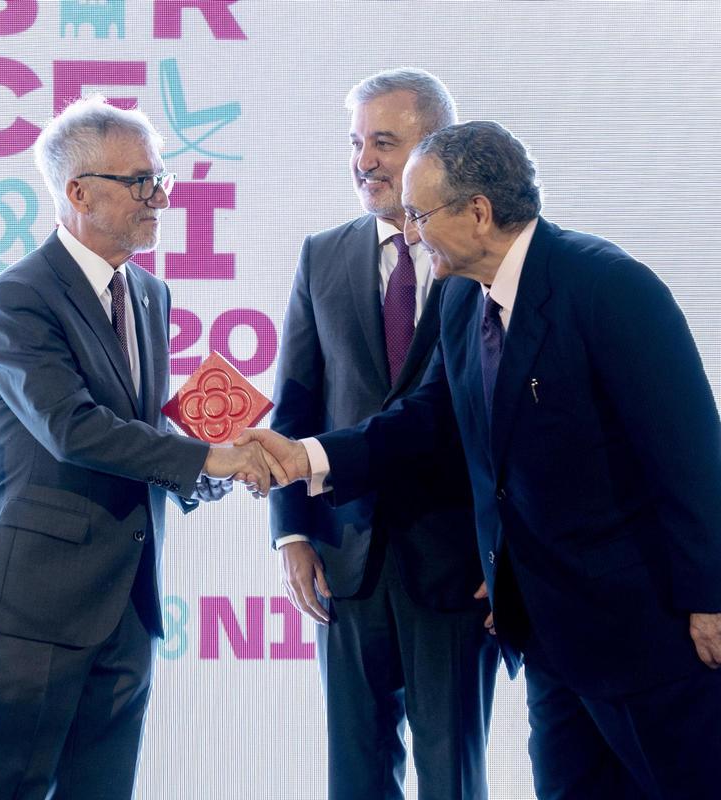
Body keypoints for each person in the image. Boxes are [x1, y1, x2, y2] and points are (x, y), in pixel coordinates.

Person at [243, 120, 721, 799]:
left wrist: (711, 599)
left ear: (478, 212)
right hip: (551, 636)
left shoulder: (608, 287)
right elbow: (428, 420)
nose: (408, 232)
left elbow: (691, 454)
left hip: (648, 632)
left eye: (420, 215)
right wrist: (305, 458)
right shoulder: (466, 298)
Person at [0, 95, 279, 800]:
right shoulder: (21, 295)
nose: (159, 198)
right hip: (32, 603)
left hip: (126, 598)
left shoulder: (149, 292)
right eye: (141, 182)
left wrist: (210, 461)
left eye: (161, 179)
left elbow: (139, 425)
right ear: (78, 192)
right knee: (4, 787)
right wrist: (205, 459)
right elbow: (71, 426)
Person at [270, 68, 497, 800]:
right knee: (355, 772)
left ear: (436, 149)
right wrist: (292, 535)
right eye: (356, 142)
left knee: (450, 773)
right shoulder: (321, 255)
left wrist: (507, 549)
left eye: (385, 142)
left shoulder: (480, 256)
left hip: (457, 561)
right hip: (346, 556)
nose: (364, 160)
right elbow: (296, 403)